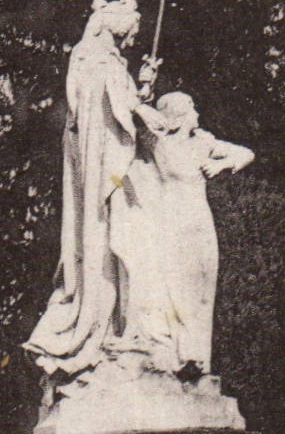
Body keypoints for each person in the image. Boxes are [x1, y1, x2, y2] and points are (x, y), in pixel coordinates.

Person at [23, 0, 163, 377]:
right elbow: (115, 108)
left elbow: (119, 102)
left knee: (125, 235)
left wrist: (141, 91)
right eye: (130, 34)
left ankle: (122, 324)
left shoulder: (91, 58)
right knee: (118, 233)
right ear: (115, 28)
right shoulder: (97, 60)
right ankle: (109, 327)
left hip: (108, 166)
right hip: (108, 170)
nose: (132, 42)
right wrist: (141, 109)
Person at [109, 92, 255, 377]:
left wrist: (222, 164)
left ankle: (197, 357)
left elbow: (246, 153)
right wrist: (143, 92)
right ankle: (181, 354)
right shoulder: (157, 143)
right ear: (176, 115)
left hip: (199, 221)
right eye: (190, 106)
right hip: (170, 222)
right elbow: (129, 122)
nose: (196, 111)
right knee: (176, 288)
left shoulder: (204, 143)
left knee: (201, 288)